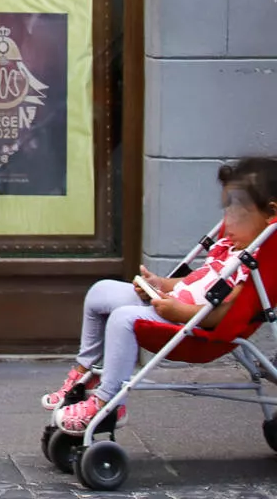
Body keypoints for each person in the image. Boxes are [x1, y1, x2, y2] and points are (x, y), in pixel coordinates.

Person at [45, 156, 277, 435]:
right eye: (226, 211)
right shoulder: (231, 247)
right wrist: (162, 284)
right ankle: (85, 374)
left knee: (122, 319)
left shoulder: (256, 261)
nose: (227, 222)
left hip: (193, 325)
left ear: (269, 215)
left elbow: (226, 311)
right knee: (100, 292)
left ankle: (109, 401)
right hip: (174, 306)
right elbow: (198, 281)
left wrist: (178, 312)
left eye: (236, 214)